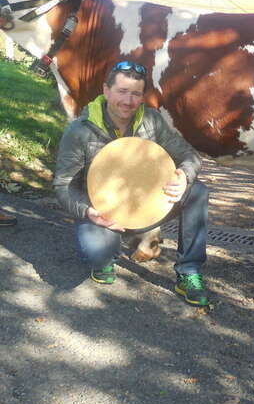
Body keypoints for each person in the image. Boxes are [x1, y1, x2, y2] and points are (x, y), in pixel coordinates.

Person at [53, 60, 210, 307]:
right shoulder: (80, 131)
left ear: (142, 96)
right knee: (97, 254)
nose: (128, 101)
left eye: (136, 94)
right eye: (122, 91)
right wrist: (88, 212)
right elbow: (63, 186)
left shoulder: (152, 120)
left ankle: (189, 272)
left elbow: (190, 156)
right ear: (106, 90)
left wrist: (184, 175)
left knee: (197, 192)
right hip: (102, 213)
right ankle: (105, 256)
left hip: (147, 207)